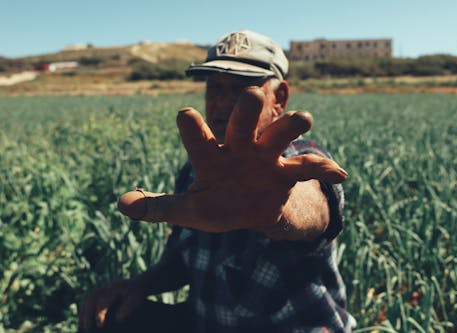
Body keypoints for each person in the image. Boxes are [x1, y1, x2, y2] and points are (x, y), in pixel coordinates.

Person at [79, 30, 356, 333]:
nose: (224, 102)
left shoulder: (297, 161)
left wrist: (280, 211)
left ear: (280, 98)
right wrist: (139, 286)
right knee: (111, 316)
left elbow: (316, 208)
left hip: (291, 327)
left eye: (241, 89)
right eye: (215, 88)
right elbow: (184, 262)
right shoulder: (199, 168)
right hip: (205, 323)